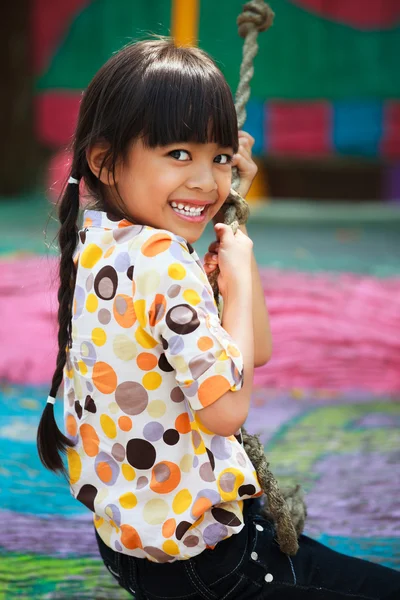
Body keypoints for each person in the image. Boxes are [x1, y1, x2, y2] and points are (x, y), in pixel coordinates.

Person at [37, 39, 399, 599]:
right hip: (212, 566)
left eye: (220, 157)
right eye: (179, 154)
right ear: (104, 159)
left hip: (140, 552)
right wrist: (242, 259)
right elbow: (228, 408)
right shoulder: (165, 264)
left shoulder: (93, 243)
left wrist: (235, 247)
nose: (207, 182)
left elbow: (252, 351)